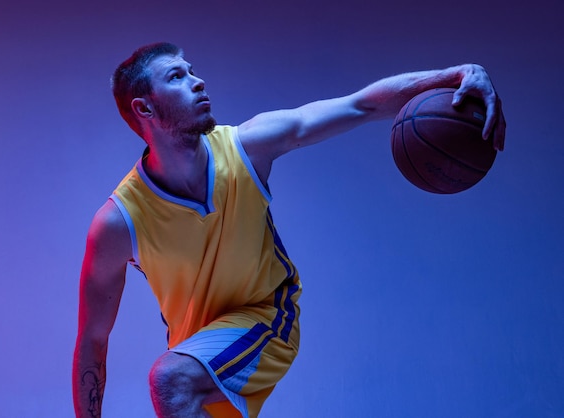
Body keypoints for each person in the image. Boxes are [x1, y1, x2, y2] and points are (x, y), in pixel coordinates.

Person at [72, 42, 506, 418]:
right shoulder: (118, 222)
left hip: (267, 314)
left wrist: (457, 73)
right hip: (202, 349)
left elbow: (362, 104)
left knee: (170, 378)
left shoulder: (247, 147)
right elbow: (93, 341)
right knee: (178, 381)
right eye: (177, 77)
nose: (198, 81)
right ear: (144, 108)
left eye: (194, 71)